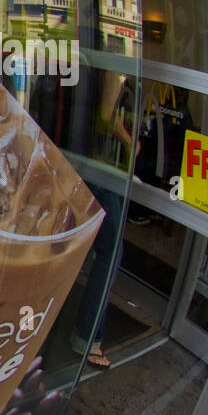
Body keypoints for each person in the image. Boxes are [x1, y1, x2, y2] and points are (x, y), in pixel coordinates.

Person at [68, 68, 134, 369]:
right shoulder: (110, 68)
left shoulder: (87, 64)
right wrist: (130, 141)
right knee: (110, 250)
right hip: (98, 168)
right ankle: (88, 336)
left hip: (82, 161)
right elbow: (107, 117)